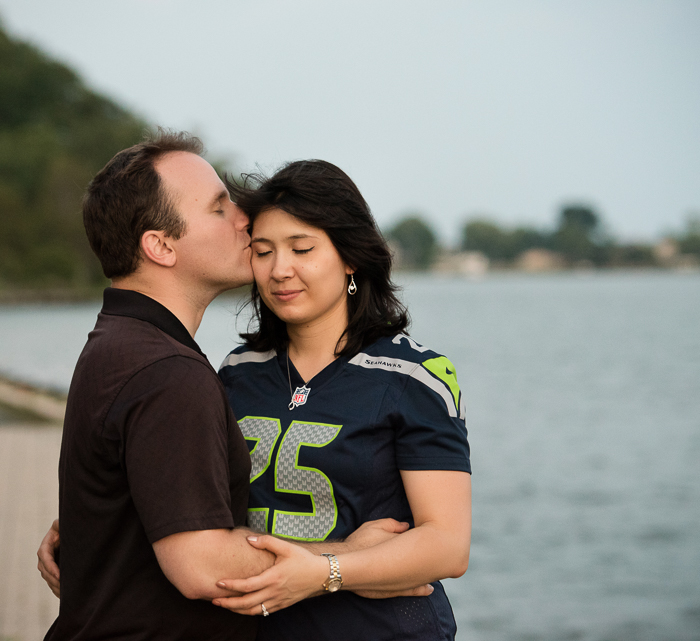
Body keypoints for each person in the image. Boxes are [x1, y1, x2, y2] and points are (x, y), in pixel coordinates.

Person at [40, 131, 426, 641]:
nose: (244, 218)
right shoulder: (167, 372)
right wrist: (353, 556)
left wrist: (90, 528)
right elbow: (202, 567)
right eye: (219, 208)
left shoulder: (116, 342)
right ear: (160, 245)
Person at [208, 159, 473, 640]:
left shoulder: (417, 376)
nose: (280, 270)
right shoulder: (236, 372)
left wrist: (327, 572)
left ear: (350, 257)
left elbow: (448, 546)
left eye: (302, 248)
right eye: (263, 252)